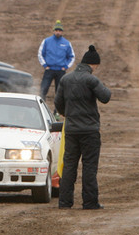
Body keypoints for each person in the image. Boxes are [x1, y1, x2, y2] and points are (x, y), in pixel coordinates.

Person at [55, 45, 111, 210]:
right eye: (96, 67)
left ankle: (65, 202)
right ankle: (89, 202)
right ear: (92, 65)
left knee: (69, 165)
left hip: (71, 131)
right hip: (89, 131)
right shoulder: (91, 79)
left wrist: (69, 114)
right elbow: (106, 97)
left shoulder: (66, 79)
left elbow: (58, 104)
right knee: (89, 166)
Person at [37, 20, 75, 99]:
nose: (58, 32)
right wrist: (45, 65)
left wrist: (65, 67)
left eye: (60, 31)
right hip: (49, 69)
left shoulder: (67, 43)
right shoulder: (46, 41)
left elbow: (72, 57)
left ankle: (57, 110)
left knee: (60, 92)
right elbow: (40, 54)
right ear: (54, 31)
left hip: (60, 71)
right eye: (56, 30)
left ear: (62, 32)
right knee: (43, 89)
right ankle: (41, 107)